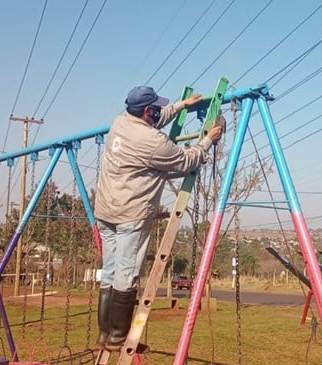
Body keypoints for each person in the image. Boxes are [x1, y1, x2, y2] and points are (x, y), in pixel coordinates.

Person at [93, 86, 224, 351]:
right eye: (156, 109)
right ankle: (119, 336)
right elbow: (187, 161)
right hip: (130, 212)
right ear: (147, 111)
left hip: (105, 211)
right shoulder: (152, 142)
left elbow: (158, 118)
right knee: (126, 274)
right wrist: (208, 139)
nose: (158, 113)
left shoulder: (120, 123)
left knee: (109, 272)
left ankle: (105, 334)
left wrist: (181, 105)